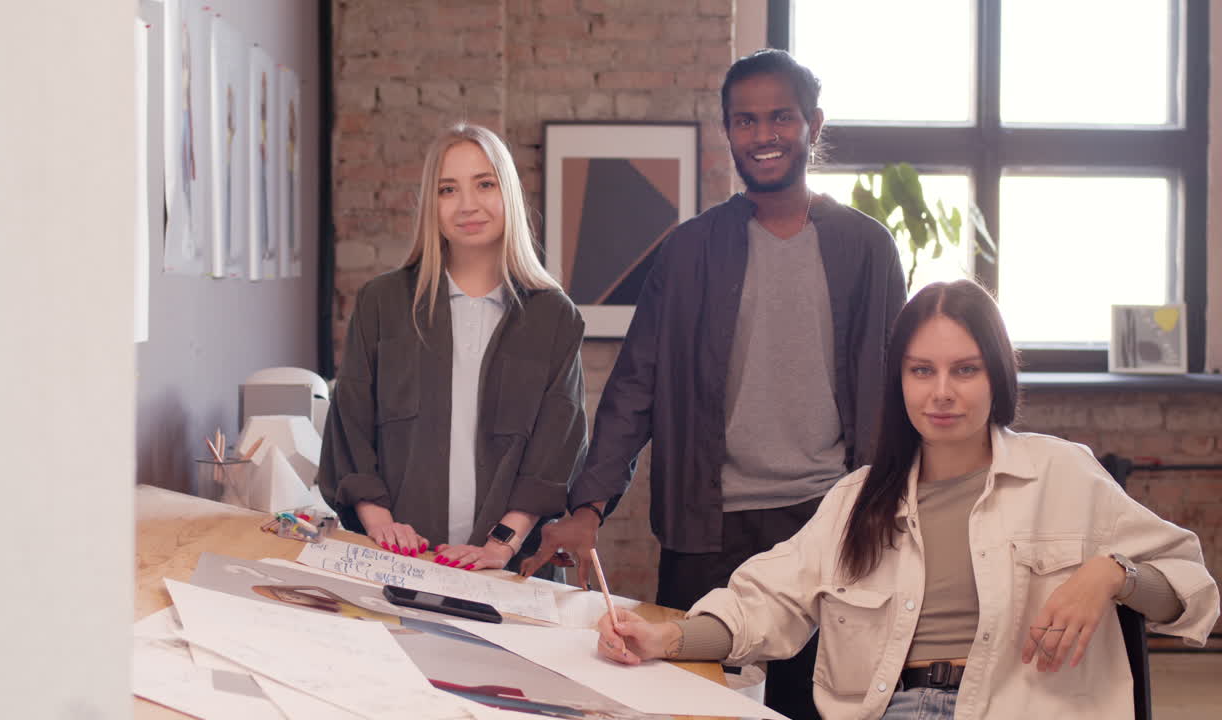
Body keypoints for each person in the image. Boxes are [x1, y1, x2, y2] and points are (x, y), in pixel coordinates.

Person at [594, 280, 1220, 720]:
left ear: (997, 375)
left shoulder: (1064, 474)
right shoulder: (857, 501)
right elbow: (763, 603)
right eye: (922, 371)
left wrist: (1113, 573)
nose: (942, 393)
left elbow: (1192, 588)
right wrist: (664, 639)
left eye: (964, 370)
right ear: (899, 381)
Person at [520, 49, 906, 716]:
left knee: (818, 706)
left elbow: (902, 388)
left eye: (780, 118)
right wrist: (587, 508)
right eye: (746, 121)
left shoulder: (866, 247)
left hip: (831, 521)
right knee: (695, 703)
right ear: (728, 131)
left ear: (812, 124)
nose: (763, 136)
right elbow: (634, 387)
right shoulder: (690, 249)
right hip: (708, 528)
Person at [317, 123, 587, 574]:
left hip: (510, 567)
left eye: (484, 184)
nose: (467, 205)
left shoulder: (554, 315)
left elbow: (558, 448)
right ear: (432, 204)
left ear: (509, 194)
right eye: (447, 189)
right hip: (396, 559)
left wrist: (502, 543)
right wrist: (382, 525)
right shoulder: (381, 303)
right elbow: (351, 426)